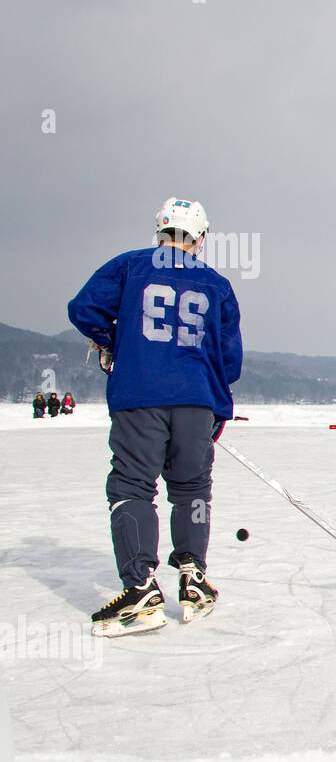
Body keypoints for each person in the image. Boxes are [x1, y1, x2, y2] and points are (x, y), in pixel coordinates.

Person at [68, 197, 242, 637]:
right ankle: (193, 577)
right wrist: (217, 408)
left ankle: (141, 590)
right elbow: (230, 360)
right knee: (192, 489)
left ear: (159, 231)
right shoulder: (216, 284)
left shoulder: (129, 266)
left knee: (131, 487)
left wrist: (113, 342)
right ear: (200, 239)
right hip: (196, 401)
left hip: (139, 395)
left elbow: (83, 309)